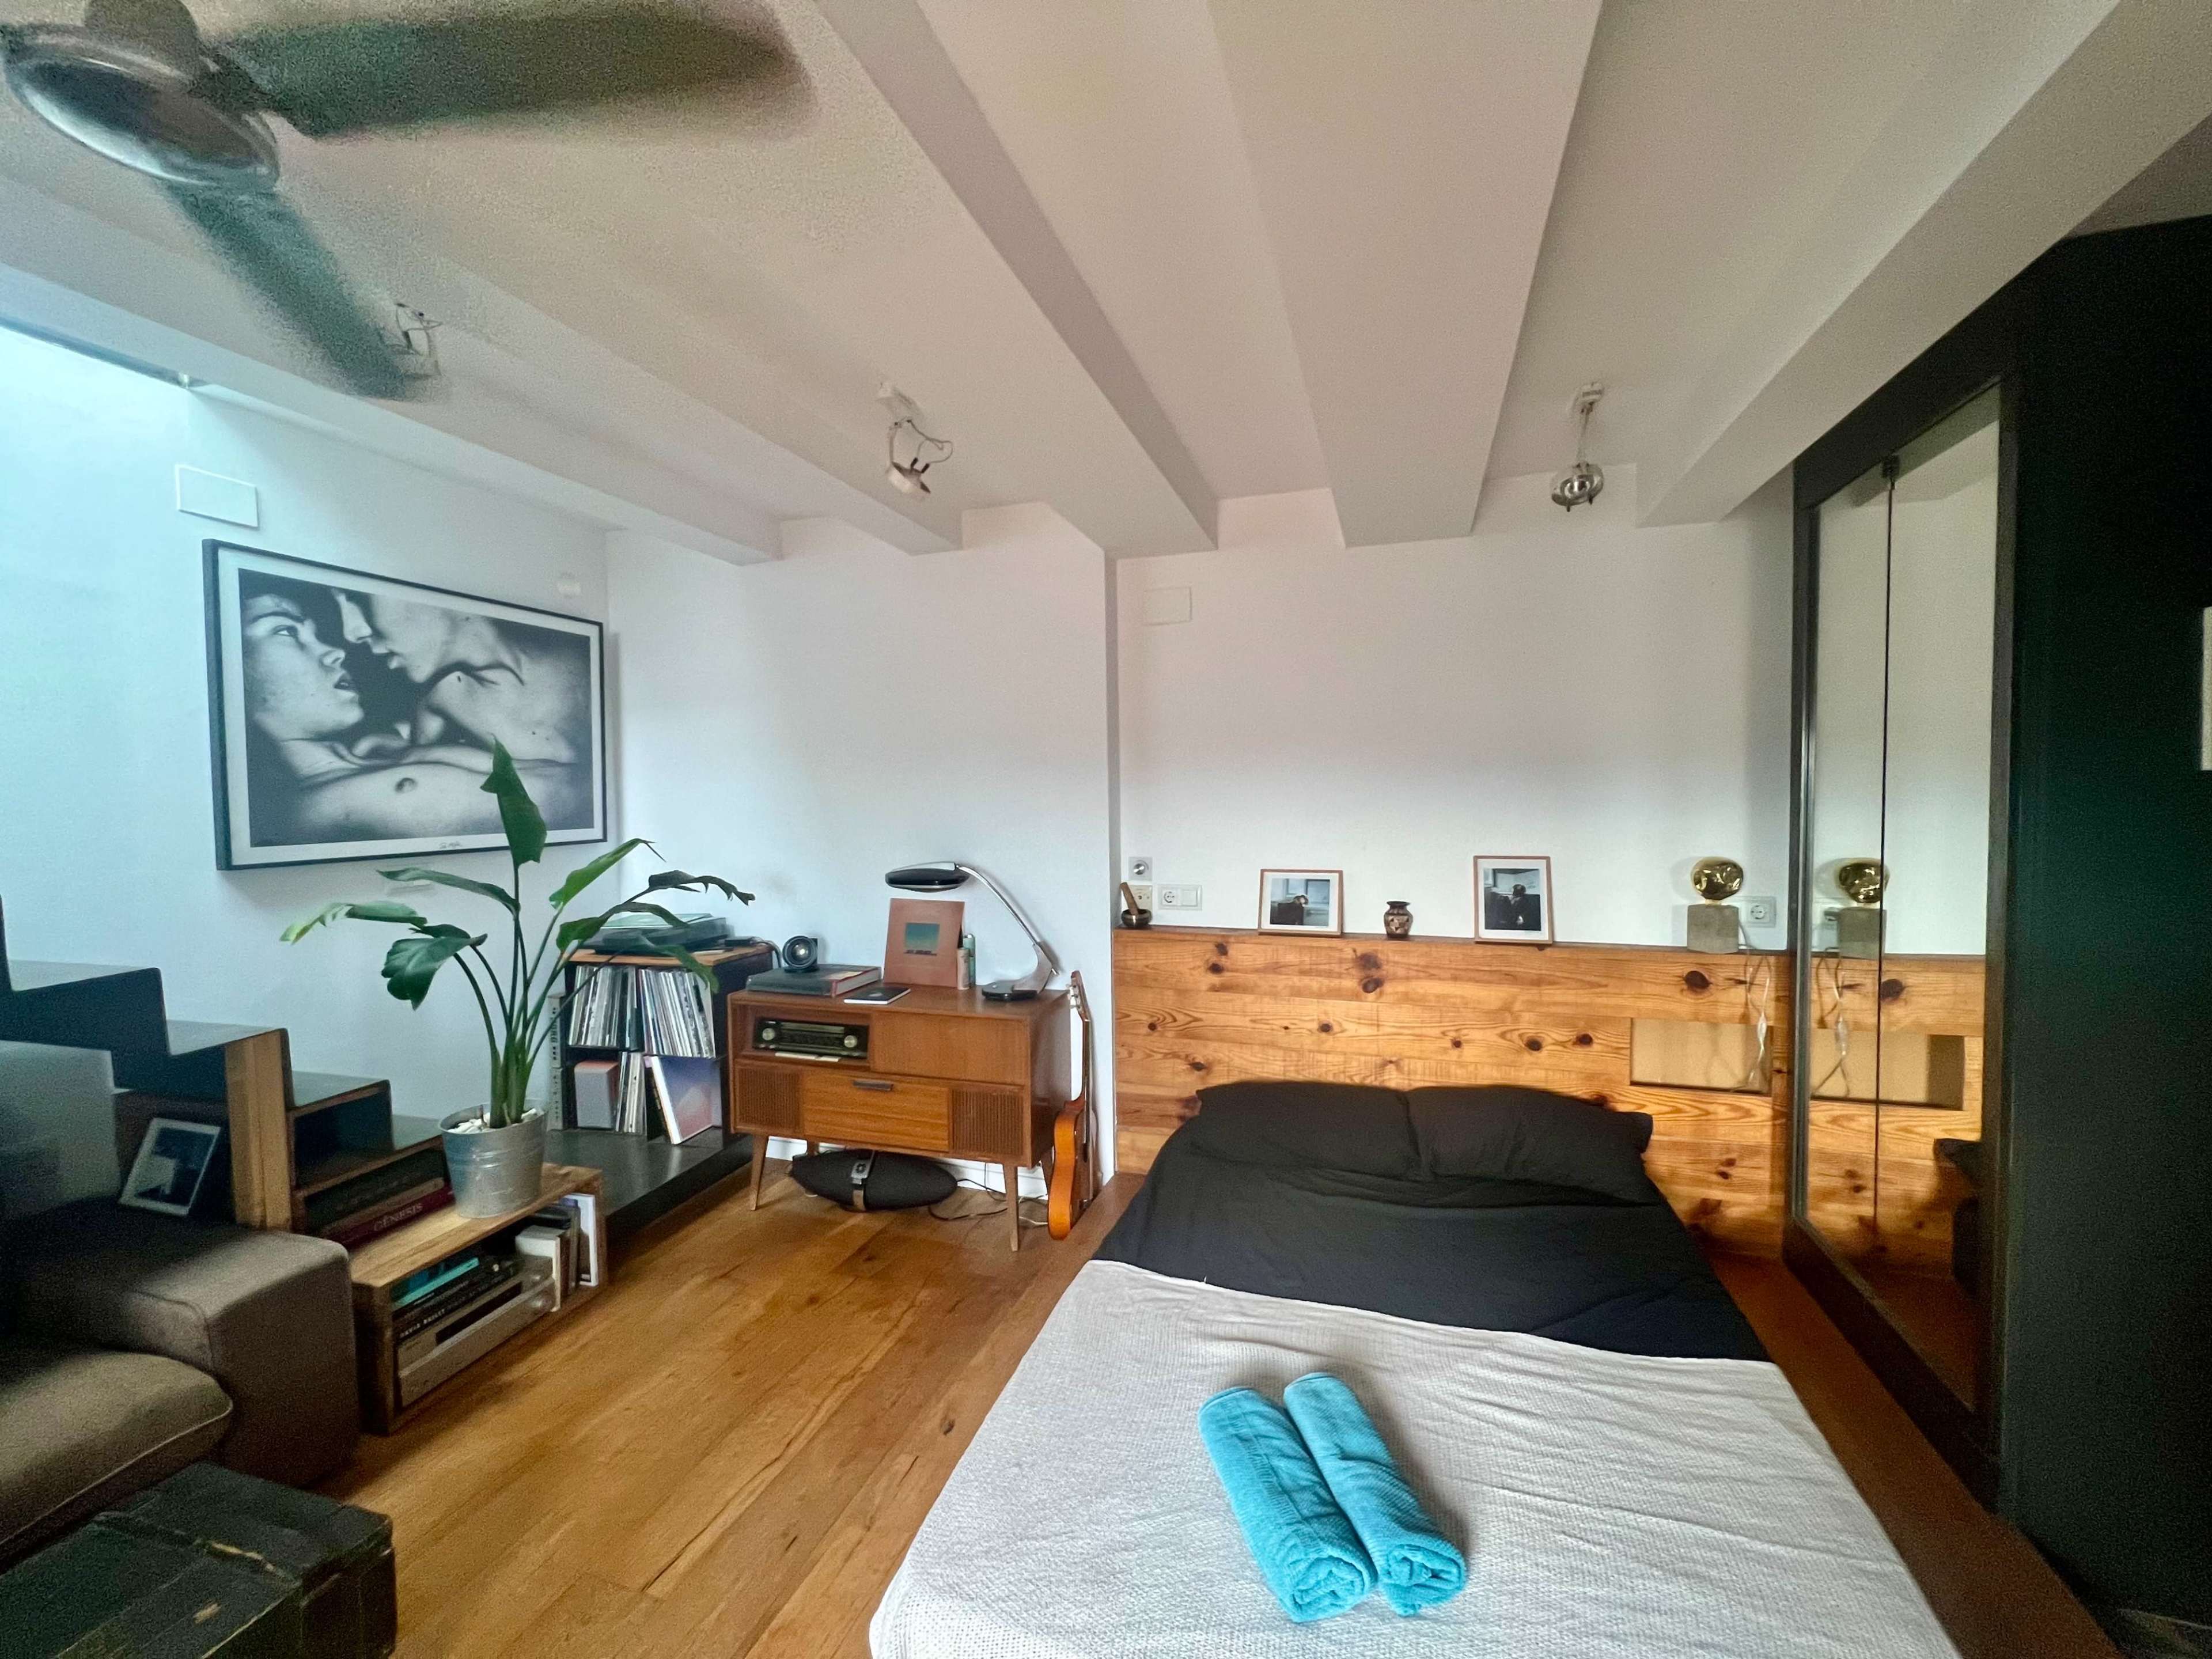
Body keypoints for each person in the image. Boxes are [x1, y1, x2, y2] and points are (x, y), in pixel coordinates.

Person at [237, 583, 528, 844]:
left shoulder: (380, 753)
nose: (335, 652)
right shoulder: (319, 810)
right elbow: (560, 795)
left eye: (314, 634)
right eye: (286, 631)